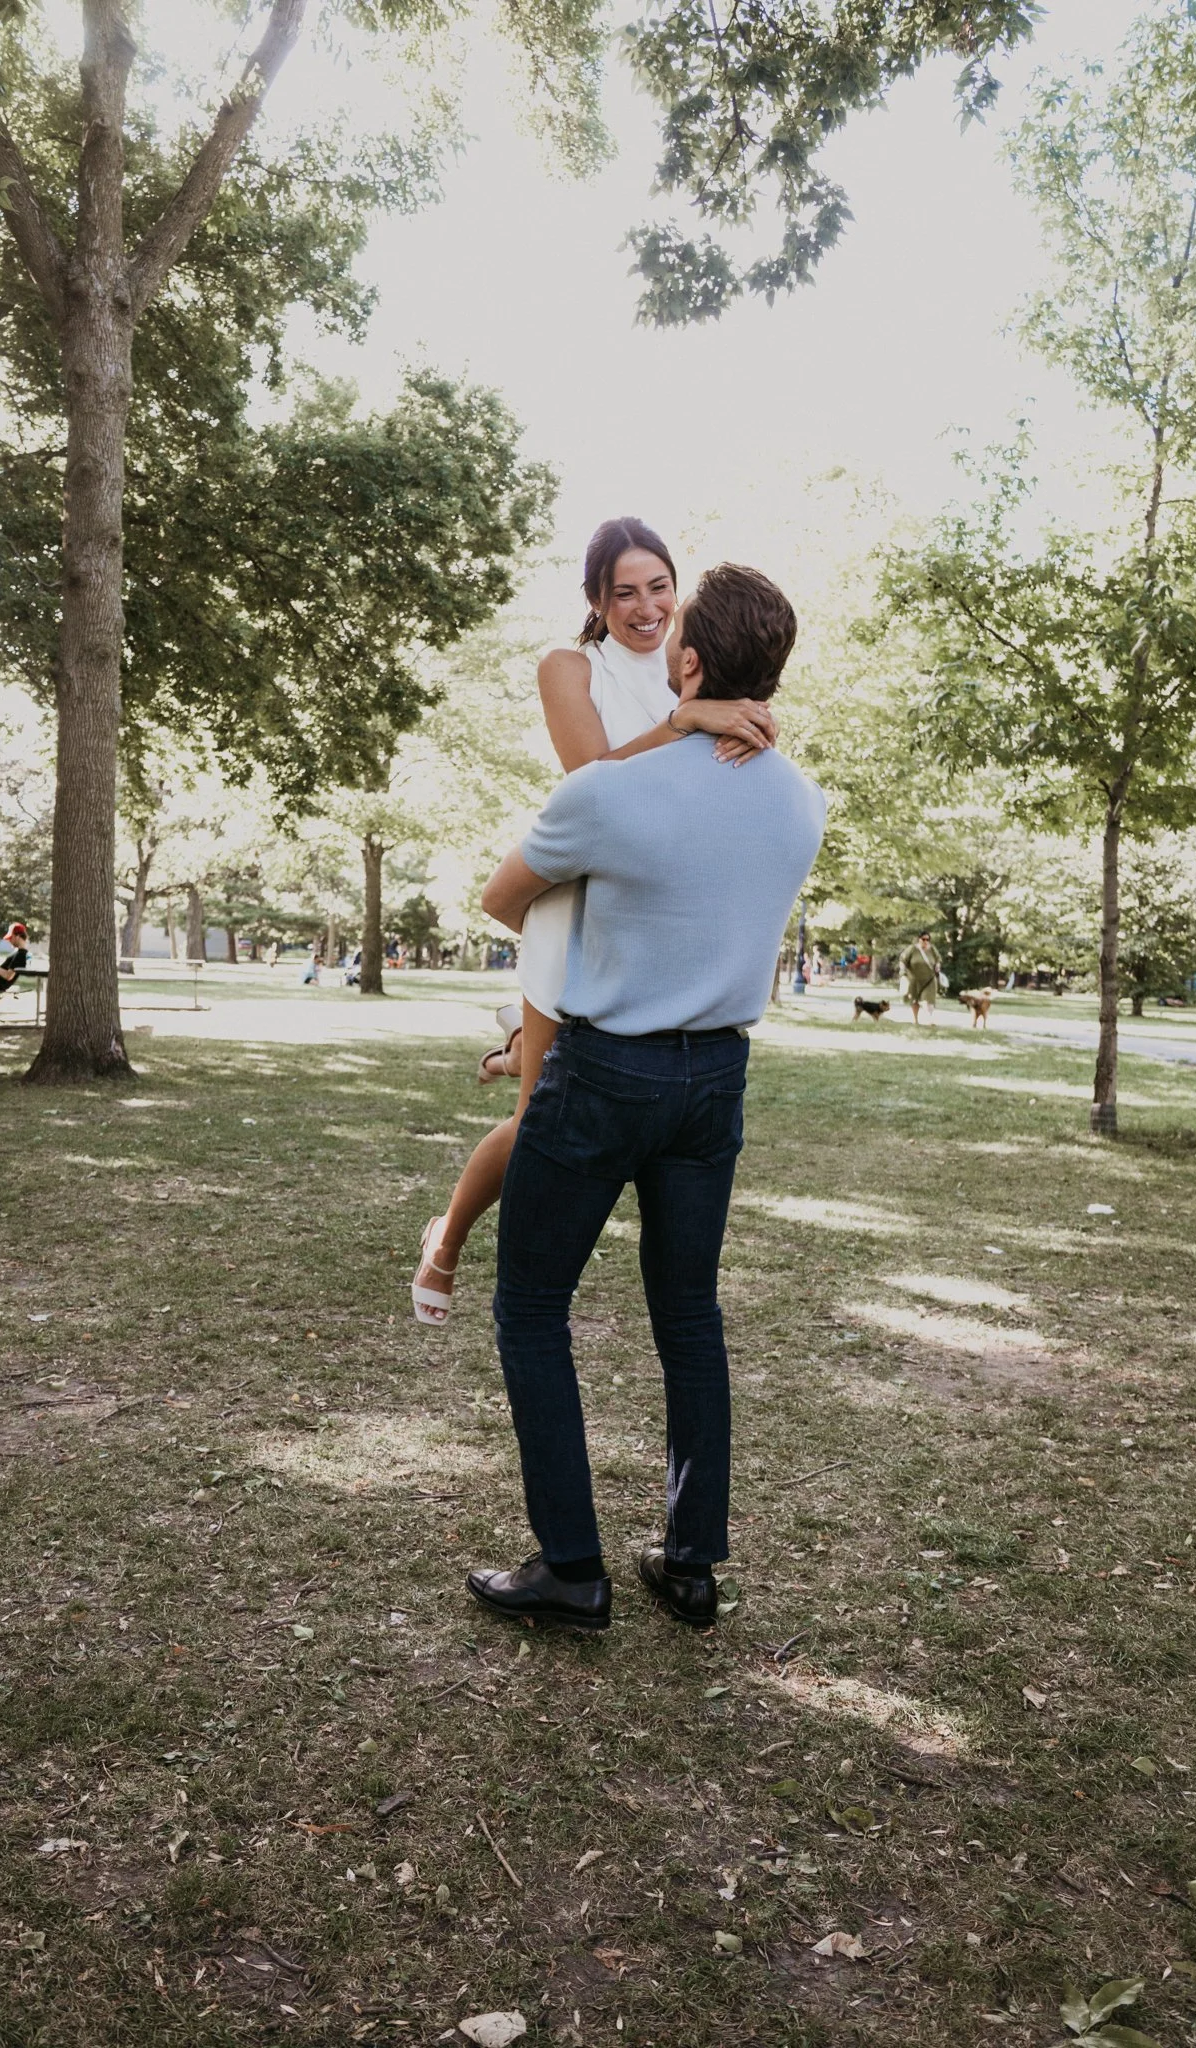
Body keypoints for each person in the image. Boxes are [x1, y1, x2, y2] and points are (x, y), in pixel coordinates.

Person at [462, 564, 826, 1632]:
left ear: (693, 663)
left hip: (606, 1072)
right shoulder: (801, 802)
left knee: (531, 1304)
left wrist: (667, 732)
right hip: (716, 1078)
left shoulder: (610, 792)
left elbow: (501, 899)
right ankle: (692, 1560)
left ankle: (572, 1568)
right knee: (688, 1313)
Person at [409, 518, 777, 1325]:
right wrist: (686, 723)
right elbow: (592, 779)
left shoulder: (703, 671)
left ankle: (518, 1048)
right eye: (623, 592)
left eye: (658, 588)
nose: (644, 607)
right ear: (595, 599)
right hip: (572, 905)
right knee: (537, 1120)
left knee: (564, 1092)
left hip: (652, 924)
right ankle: (448, 1238)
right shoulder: (570, 667)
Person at [899, 930, 943, 1026]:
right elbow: (902, 960)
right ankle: (915, 1020)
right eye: (923, 939)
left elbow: (938, 959)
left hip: (929, 979)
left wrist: (937, 966)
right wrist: (902, 972)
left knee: (929, 999)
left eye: (928, 939)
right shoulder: (912, 949)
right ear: (919, 939)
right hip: (914, 979)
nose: (925, 941)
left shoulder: (932, 949)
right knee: (914, 1000)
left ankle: (930, 1019)